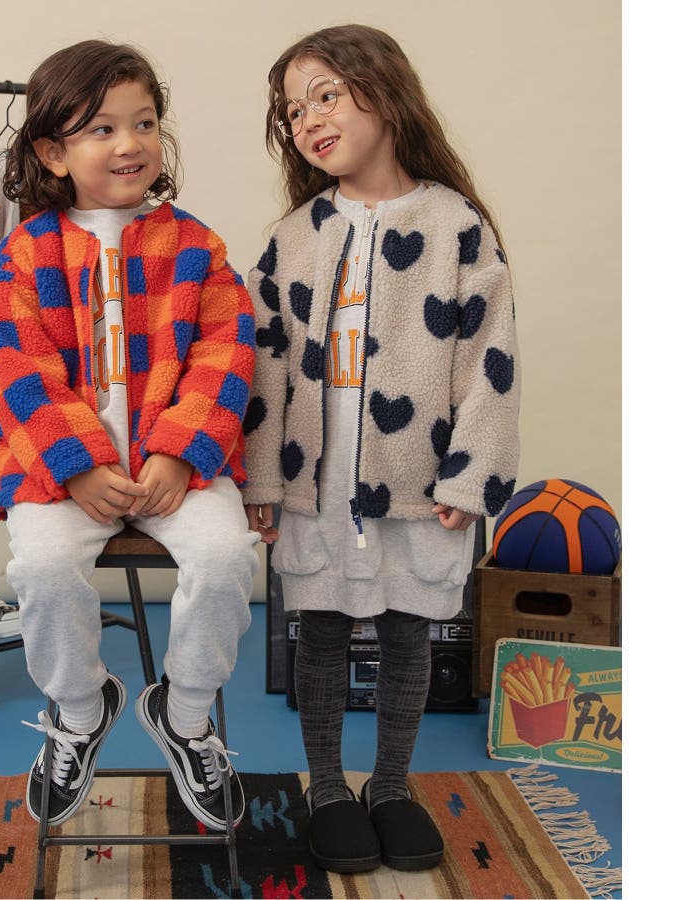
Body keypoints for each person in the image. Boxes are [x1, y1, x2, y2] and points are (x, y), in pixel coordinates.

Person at [243, 24, 520, 873]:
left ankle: (392, 786)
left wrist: (471, 478)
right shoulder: (294, 236)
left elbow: (491, 360)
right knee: (320, 629)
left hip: (418, 475)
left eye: (326, 95)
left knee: (409, 631)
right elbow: (264, 364)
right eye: (295, 111)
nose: (309, 120)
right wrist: (260, 479)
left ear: (386, 92)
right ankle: (329, 790)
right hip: (315, 476)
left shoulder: (456, 225)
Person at [0, 39, 259, 831]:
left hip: (177, 469)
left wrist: (179, 451)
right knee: (42, 566)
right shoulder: (25, 254)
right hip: (60, 473)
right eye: (101, 129)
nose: (129, 143)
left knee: (225, 556)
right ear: (53, 152)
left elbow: (227, 354)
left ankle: (186, 711)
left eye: (144, 123)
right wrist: (75, 466)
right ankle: (80, 707)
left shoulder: (197, 248)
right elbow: (18, 368)